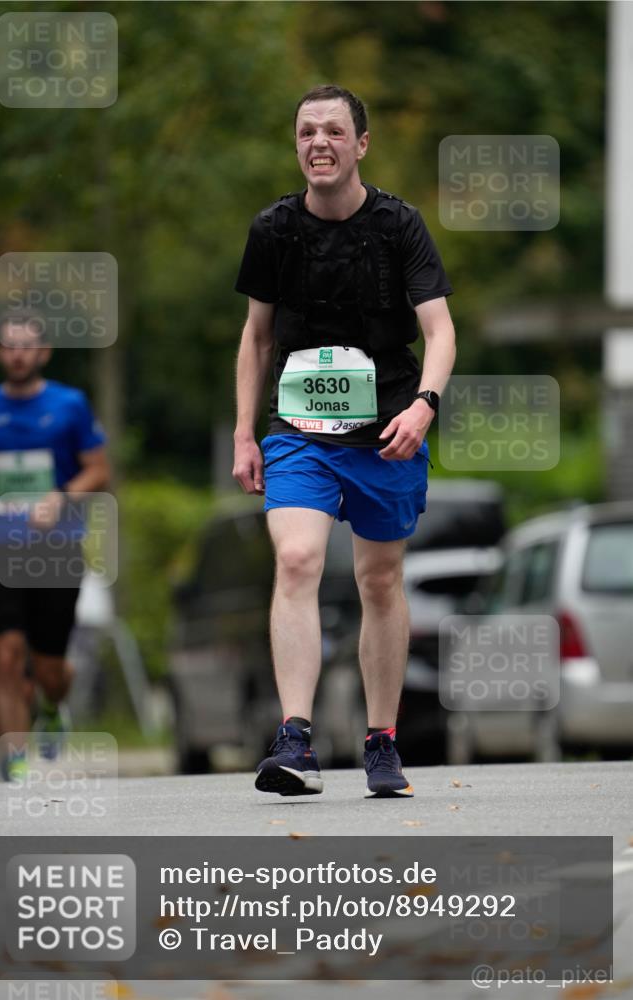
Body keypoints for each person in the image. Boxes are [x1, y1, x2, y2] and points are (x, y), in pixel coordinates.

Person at [233, 85, 456, 798]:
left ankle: (381, 741)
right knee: (296, 559)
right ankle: (294, 737)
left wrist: (425, 405)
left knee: (378, 580)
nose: (317, 143)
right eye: (305, 132)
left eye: (332, 130)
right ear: (295, 144)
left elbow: (440, 331)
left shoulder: (399, 226)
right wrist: (245, 430)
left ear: (360, 145)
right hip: (297, 428)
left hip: (386, 427)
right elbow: (257, 336)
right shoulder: (272, 229)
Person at [0, 312, 110, 779]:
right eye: (9, 345)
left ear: (43, 352)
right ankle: (16, 756)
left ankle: (52, 707)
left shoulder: (70, 404)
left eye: (27, 345)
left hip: (55, 546)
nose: (18, 353)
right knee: (4, 652)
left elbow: (98, 470)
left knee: (49, 668)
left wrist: (61, 498)